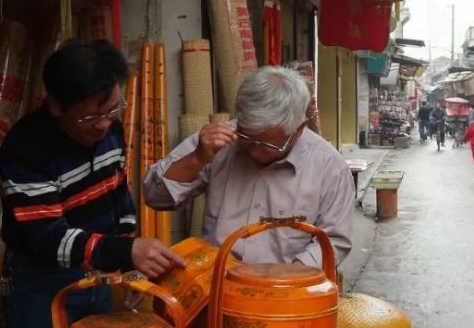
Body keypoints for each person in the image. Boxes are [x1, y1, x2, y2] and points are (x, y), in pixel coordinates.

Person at [0, 40, 186, 328]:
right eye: (90, 117)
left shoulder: (109, 129)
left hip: (96, 273)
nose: (103, 123)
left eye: (113, 109)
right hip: (42, 281)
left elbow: (118, 197)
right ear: (56, 105)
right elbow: (48, 238)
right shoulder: (25, 151)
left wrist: (127, 264)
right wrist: (124, 252)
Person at [143, 66, 355, 267]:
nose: (254, 151)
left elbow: (335, 240)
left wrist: (291, 274)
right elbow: (155, 197)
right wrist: (197, 157)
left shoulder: (329, 167)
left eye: (267, 144)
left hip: (287, 290)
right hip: (217, 283)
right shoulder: (219, 141)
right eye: (246, 137)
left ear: (298, 130)